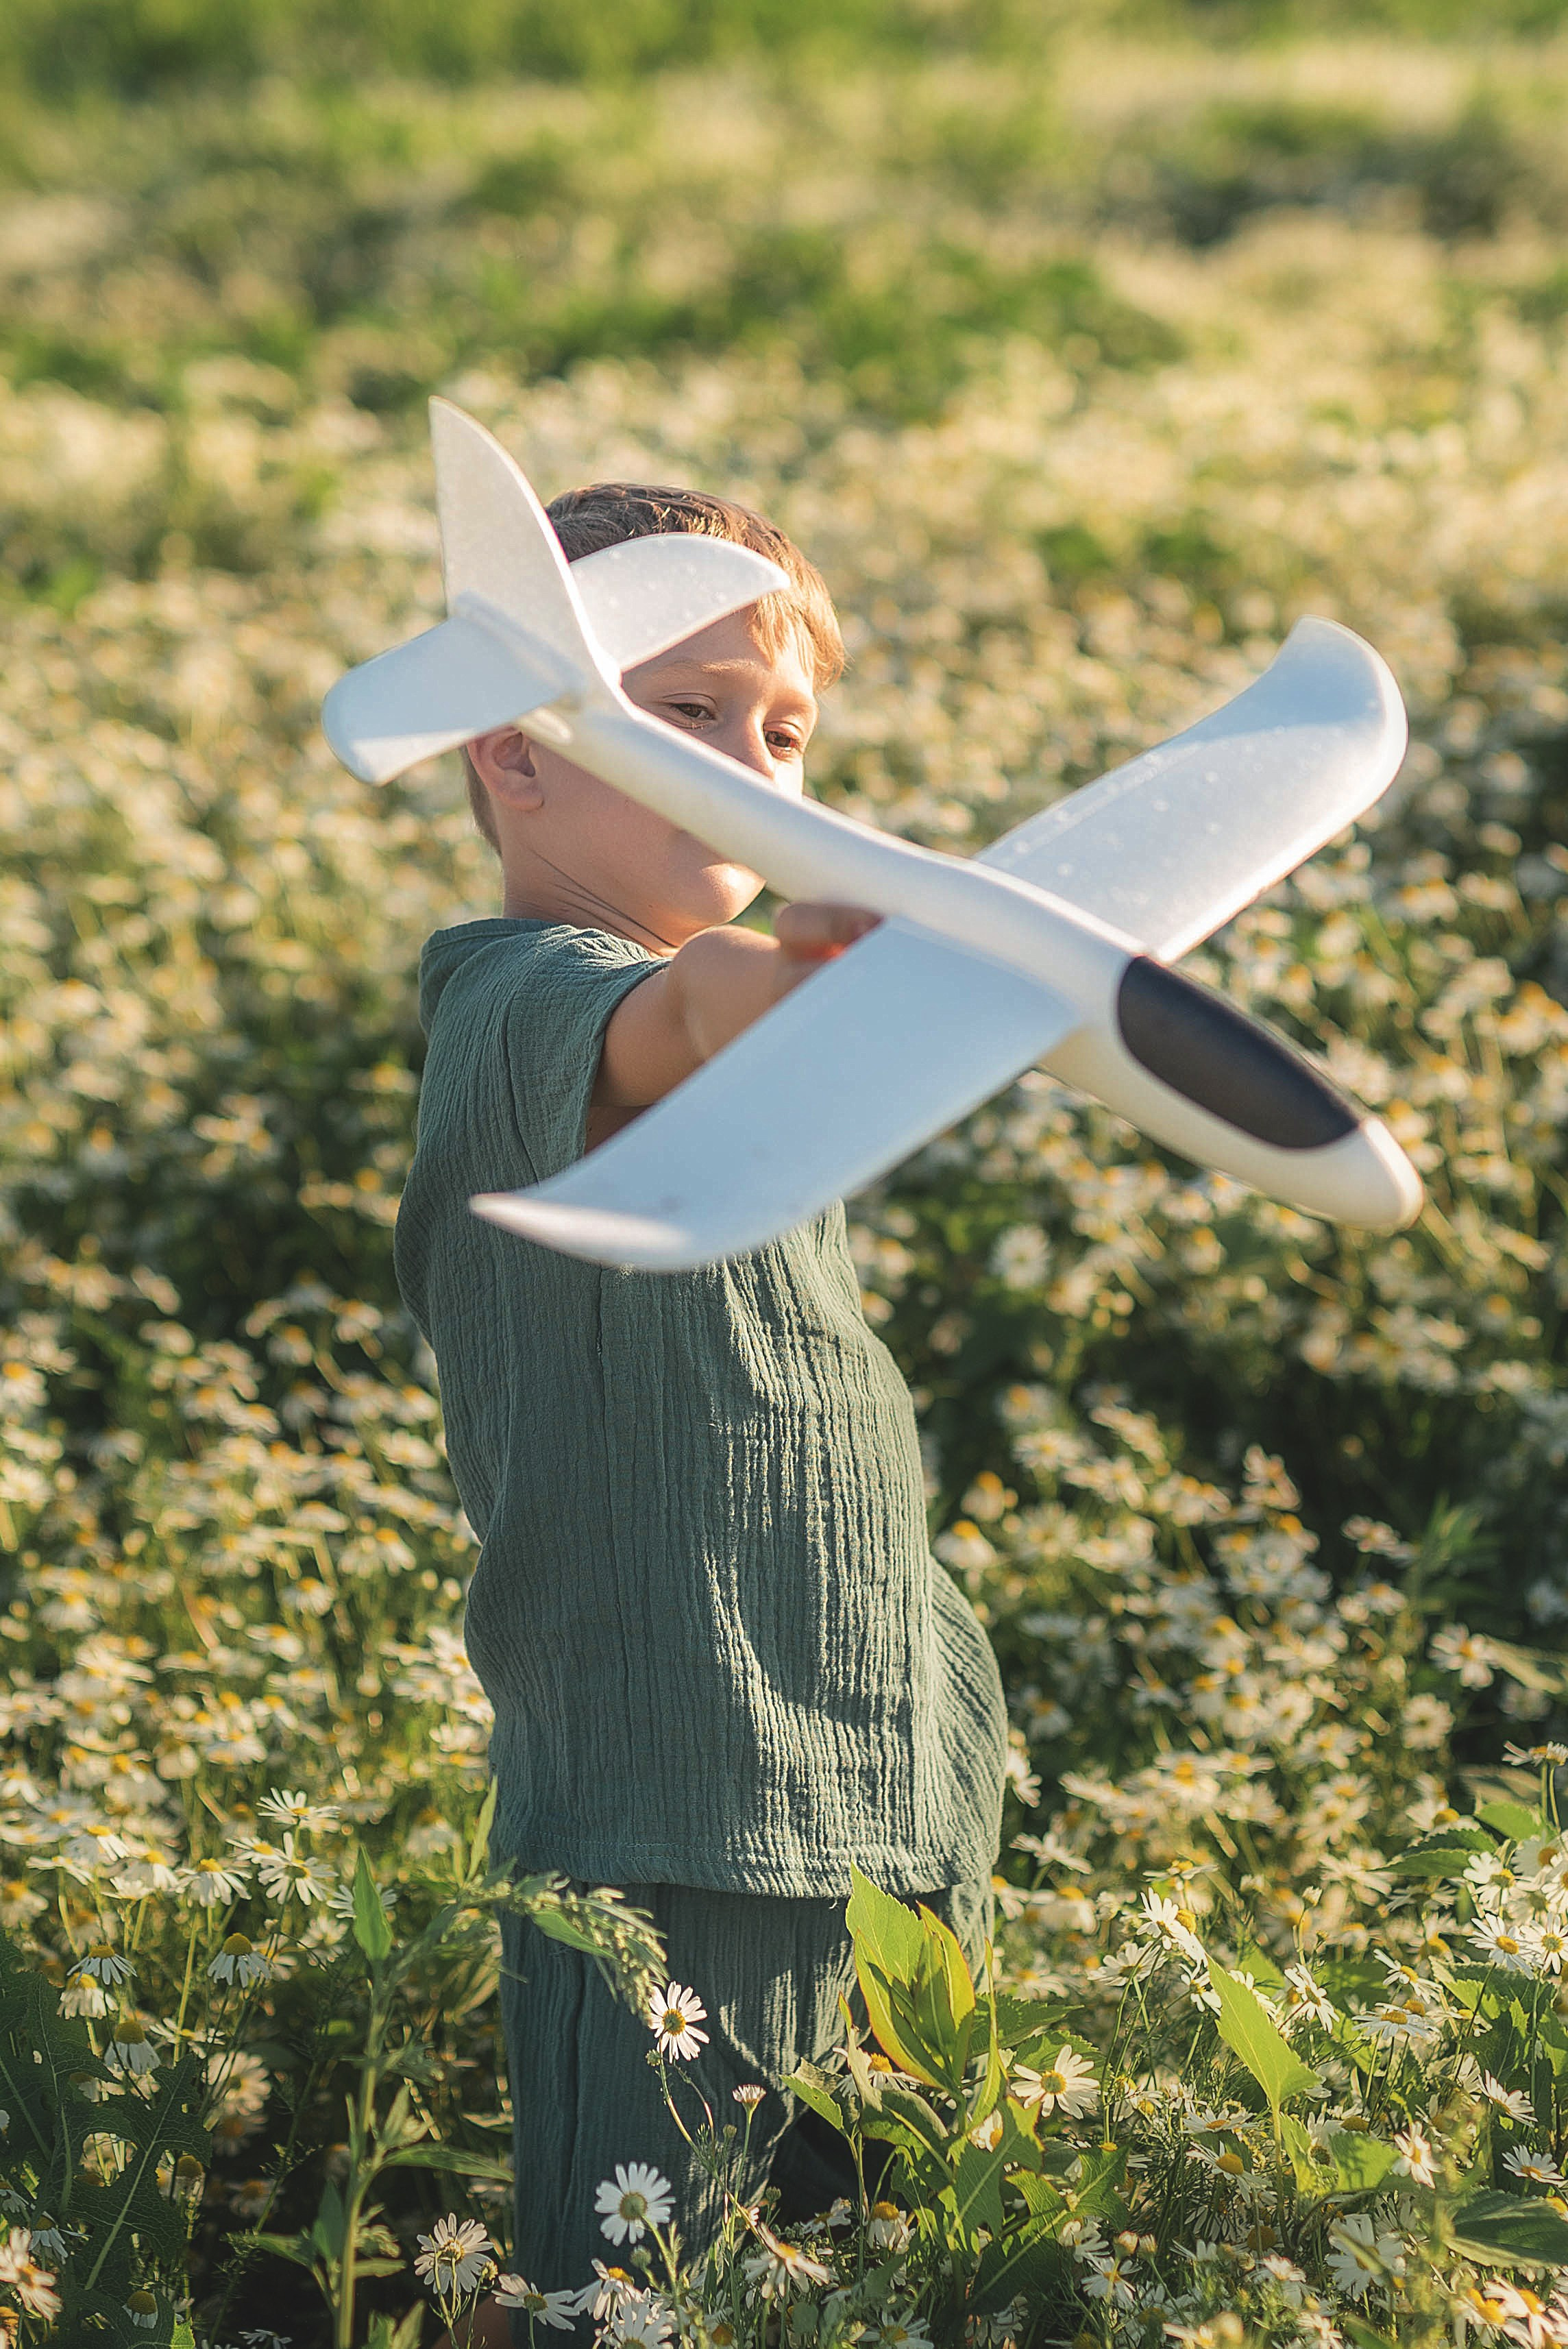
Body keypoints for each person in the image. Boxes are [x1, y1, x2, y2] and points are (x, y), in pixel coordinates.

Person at [393, 479, 1007, 2334]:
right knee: (633, 2289)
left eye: (786, 734)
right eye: (690, 718)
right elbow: (701, 1010)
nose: (756, 770)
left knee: (872, 2270)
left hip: (887, 1761)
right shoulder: (528, 1011)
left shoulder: (729, 1018)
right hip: (676, 1784)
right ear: (516, 752)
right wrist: (820, 957)